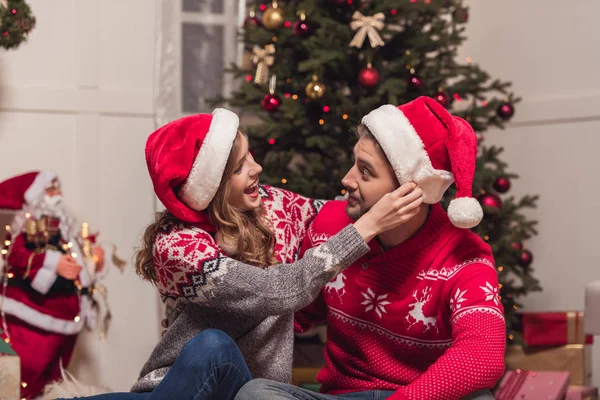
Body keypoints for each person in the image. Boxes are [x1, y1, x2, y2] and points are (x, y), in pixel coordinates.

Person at [58, 108, 423, 400]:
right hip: (184, 387)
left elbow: (340, 212)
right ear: (210, 185)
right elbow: (279, 291)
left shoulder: (277, 207)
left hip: (252, 391)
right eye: (238, 167)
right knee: (213, 344)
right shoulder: (178, 245)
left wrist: (407, 197)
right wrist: (367, 227)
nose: (257, 169)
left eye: (250, 155)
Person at [235, 96, 505, 400]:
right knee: (255, 394)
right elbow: (293, 315)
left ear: (410, 190)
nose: (346, 179)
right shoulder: (330, 226)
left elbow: (483, 356)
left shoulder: (465, 257)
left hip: (418, 397)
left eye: (365, 171)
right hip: (342, 396)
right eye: (354, 164)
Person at [0, 171, 105, 399]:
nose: (58, 194)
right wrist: (54, 262)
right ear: (37, 198)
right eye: (50, 189)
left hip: (66, 320)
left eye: (58, 188)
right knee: (27, 377)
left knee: (54, 381)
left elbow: (82, 263)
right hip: (34, 317)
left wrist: (95, 258)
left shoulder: (66, 231)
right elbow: (17, 257)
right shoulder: (30, 231)